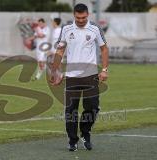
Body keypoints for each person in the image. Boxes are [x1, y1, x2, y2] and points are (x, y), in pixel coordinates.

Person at [50, 3, 109, 151]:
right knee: (71, 110)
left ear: (87, 15)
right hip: (72, 76)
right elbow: (60, 50)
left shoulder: (95, 28)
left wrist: (104, 69)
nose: (81, 20)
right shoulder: (67, 29)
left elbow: (104, 48)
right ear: (74, 15)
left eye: (83, 17)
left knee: (93, 107)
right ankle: (72, 140)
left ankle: (85, 132)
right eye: (78, 17)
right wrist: (54, 71)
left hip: (91, 75)